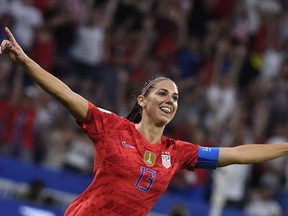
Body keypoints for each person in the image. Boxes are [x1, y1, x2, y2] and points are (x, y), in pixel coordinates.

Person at [1, 26, 288, 216]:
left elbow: (237, 154)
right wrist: (26, 62)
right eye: (162, 93)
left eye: (175, 98)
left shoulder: (176, 152)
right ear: (142, 100)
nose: (170, 101)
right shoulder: (111, 126)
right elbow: (64, 93)